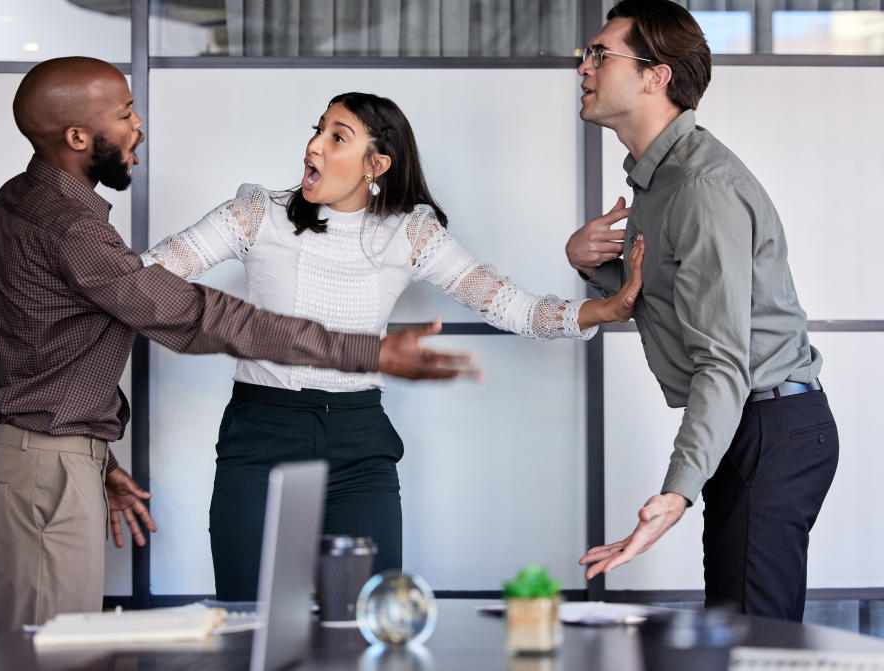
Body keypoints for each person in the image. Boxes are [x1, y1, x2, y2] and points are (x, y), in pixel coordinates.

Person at [0, 57, 477, 635]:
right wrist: (370, 352)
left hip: (51, 457)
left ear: (378, 165)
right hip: (45, 464)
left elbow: (48, 359)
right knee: (50, 650)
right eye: (126, 112)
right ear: (79, 137)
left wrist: (92, 458)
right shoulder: (68, 226)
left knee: (56, 644)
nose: (140, 127)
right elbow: (196, 315)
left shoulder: (31, 202)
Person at [142, 91, 646, 600]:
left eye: (337, 137)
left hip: (359, 444)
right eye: (316, 130)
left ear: (376, 164)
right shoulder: (256, 215)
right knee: (246, 617)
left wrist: (607, 307)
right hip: (260, 435)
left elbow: (509, 305)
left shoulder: (410, 234)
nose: (313, 147)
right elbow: (141, 280)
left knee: (367, 617)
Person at [568, 0, 838, 621]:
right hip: (748, 423)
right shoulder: (658, 182)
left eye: (600, 54)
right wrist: (587, 261)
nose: (584, 67)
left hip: (769, 425)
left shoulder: (698, 187)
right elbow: (660, 301)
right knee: (740, 627)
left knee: (753, 642)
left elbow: (723, 360)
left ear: (654, 75)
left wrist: (676, 493)